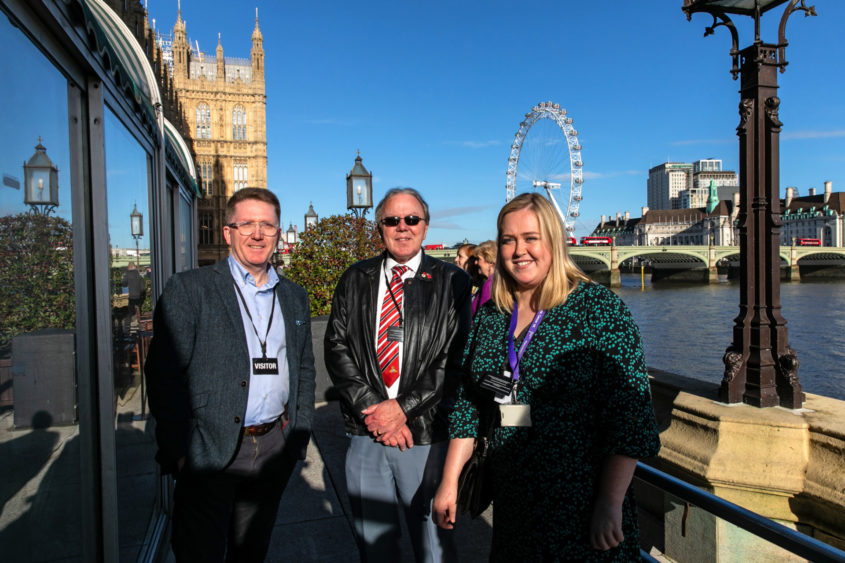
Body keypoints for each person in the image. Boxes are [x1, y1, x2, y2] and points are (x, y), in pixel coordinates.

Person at [433, 193, 660, 561]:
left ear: (553, 241)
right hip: (513, 502)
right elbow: (468, 404)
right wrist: (448, 482)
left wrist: (610, 502)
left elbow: (630, 417)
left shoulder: (598, 310)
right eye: (508, 240)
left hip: (581, 505)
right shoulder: (492, 315)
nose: (519, 250)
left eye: (530, 238)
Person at [145, 187, 316, 563]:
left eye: (267, 226)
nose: (257, 234)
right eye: (247, 224)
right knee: (199, 552)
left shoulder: (293, 295)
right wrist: (179, 451)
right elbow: (164, 376)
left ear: (278, 232)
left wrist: (297, 435)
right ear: (227, 232)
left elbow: (303, 365)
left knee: (251, 552)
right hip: (209, 450)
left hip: (273, 447)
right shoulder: (190, 289)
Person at [325, 187, 472, 563]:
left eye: (411, 219)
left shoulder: (453, 281)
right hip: (367, 431)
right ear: (380, 228)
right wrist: (376, 410)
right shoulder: (355, 278)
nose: (402, 227)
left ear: (425, 226)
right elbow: (337, 348)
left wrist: (403, 409)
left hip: (424, 435)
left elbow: (454, 359)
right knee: (375, 547)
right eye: (392, 220)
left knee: (433, 548)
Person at [470, 240, 496, 317]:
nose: (475, 262)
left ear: (490, 261)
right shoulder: (498, 281)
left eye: (478, 259)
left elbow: (482, 315)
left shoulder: (489, 284)